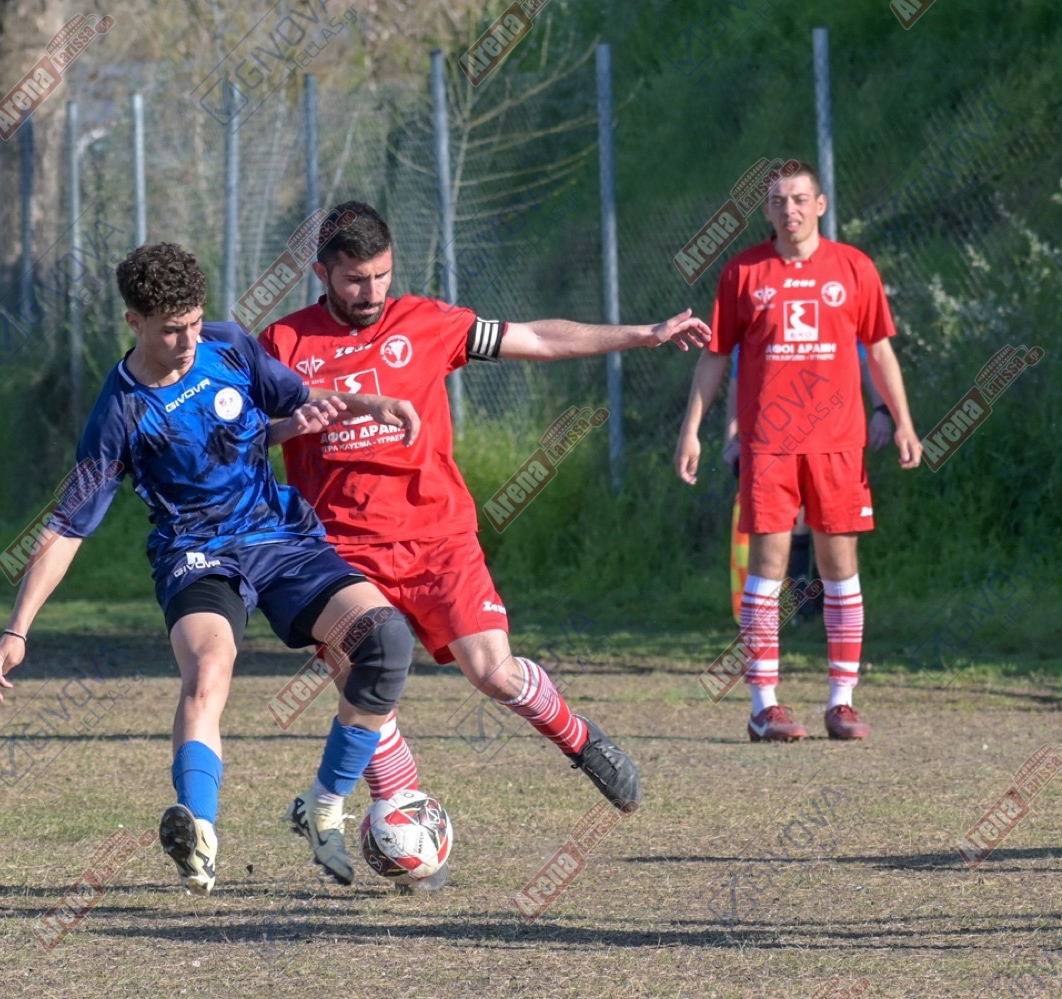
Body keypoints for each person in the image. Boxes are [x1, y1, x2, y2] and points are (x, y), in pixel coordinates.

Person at [0, 242, 424, 894]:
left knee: (385, 641)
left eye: (193, 321)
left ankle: (323, 804)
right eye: (170, 329)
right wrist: (17, 628)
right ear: (134, 321)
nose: (188, 340)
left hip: (278, 534)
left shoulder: (228, 345)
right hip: (196, 554)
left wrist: (367, 405)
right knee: (209, 670)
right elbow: (70, 525)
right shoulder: (120, 410)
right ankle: (199, 832)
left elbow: (293, 399)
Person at [259, 201, 710, 828]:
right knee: (365, 686)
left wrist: (644, 334)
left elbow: (538, 338)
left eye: (382, 275)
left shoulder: (427, 322)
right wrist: (295, 424)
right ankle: (404, 817)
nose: (372, 292)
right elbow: (244, 436)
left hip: (437, 535)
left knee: (494, 673)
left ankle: (580, 739)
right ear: (322, 273)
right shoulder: (282, 344)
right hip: (340, 552)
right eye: (355, 279)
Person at [675, 162, 922, 742]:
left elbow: (879, 352)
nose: (790, 209)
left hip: (838, 443)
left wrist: (903, 423)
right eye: (779, 200)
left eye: (800, 198)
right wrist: (692, 429)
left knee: (840, 568)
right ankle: (764, 707)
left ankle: (842, 703)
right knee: (768, 569)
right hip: (769, 444)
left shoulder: (854, 268)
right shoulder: (743, 273)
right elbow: (715, 356)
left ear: (820, 204)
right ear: (767, 210)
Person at [724, 342, 895, 625]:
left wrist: (882, 410)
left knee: (831, 526)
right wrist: (732, 438)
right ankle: (798, 596)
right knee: (787, 521)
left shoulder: (839, 317)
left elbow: (868, 358)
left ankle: (822, 597)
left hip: (833, 437)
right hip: (774, 439)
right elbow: (736, 379)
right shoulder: (754, 319)